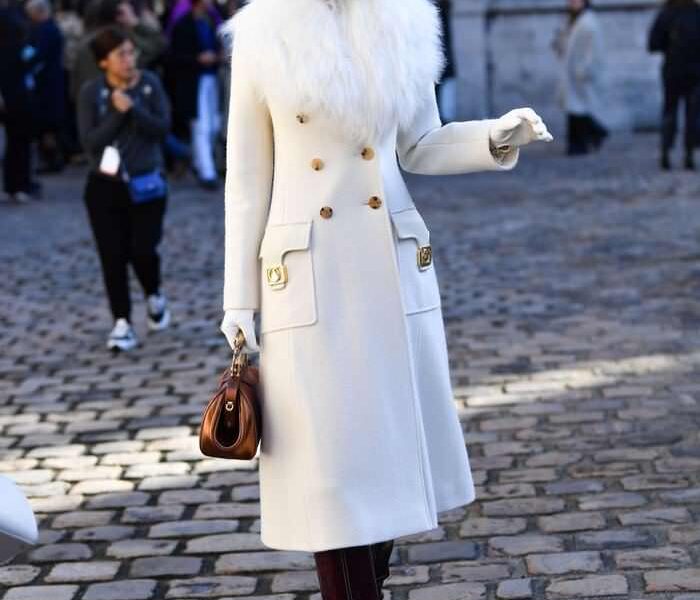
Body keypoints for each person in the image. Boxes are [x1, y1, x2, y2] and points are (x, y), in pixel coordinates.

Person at [217, 0, 552, 597]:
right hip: (309, 275)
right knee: (333, 480)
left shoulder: (406, 20)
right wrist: (238, 301)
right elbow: (247, 178)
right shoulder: (263, 27)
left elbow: (420, 144)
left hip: (391, 270)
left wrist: (495, 137)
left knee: (387, 470)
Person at [77, 26, 171, 351]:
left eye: (132, 52)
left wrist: (133, 108)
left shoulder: (149, 85)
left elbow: (162, 129)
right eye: (121, 54)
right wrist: (116, 113)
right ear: (104, 62)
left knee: (143, 250)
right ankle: (122, 322)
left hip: (147, 183)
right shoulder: (92, 92)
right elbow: (90, 142)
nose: (129, 59)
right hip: (105, 186)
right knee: (112, 256)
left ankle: (154, 294)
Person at [169, 0, 222, 189]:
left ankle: (200, 163)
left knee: (214, 124)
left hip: (210, 78)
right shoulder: (184, 24)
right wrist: (197, 59)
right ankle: (207, 171)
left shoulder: (210, 21)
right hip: (193, 81)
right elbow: (175, 56)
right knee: (201, 126)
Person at [649, 0, 700, 170]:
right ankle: (689, 154)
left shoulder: (666, 13)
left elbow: (653, 43)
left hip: (673, 70)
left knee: (670, 111)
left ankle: (666, 151)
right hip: (694, 71)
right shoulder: (696, 13)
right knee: (692, 114)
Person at [555, 0, 608, 155]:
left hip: (580, 74)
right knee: (574, 109)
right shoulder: (572, 21)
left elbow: (594, 50)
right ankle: (588, 138)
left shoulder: (589, 22)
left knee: (577, 109)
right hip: (571, 73)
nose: (572, 3)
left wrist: (585, 70)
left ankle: (580, 143)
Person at [0, 0, 37, 204]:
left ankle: (14, 184)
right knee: (19, 141)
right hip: (16, 95)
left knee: (16, 142)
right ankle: (19, 184)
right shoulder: (15, 43)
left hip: (14, 94)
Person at [26, 0, 67, 173]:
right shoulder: (49, 28)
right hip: (50, 81)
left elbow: (38, 54)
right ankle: (52, 158)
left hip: (48, 84)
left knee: (48, 125)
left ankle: (52, 159)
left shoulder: (46, 30)